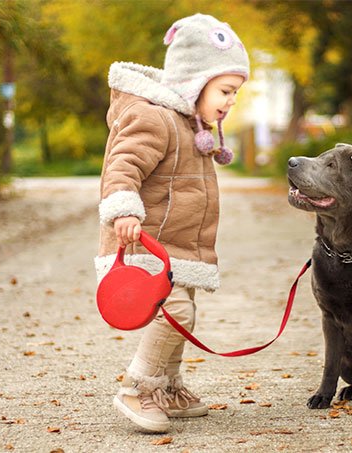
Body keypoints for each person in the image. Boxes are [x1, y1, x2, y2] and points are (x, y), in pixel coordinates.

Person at [94, 13, 249, 433]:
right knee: (176, 310)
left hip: (176, 247)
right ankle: (137, 387)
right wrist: (124, 209)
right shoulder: (155, 118)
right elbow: (121, 166)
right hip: (143, 242)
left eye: (235, 92)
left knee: (184, 310)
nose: (231, 100)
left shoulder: (189, 125)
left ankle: (168, 386)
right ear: (195, 81)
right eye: (226, 90)